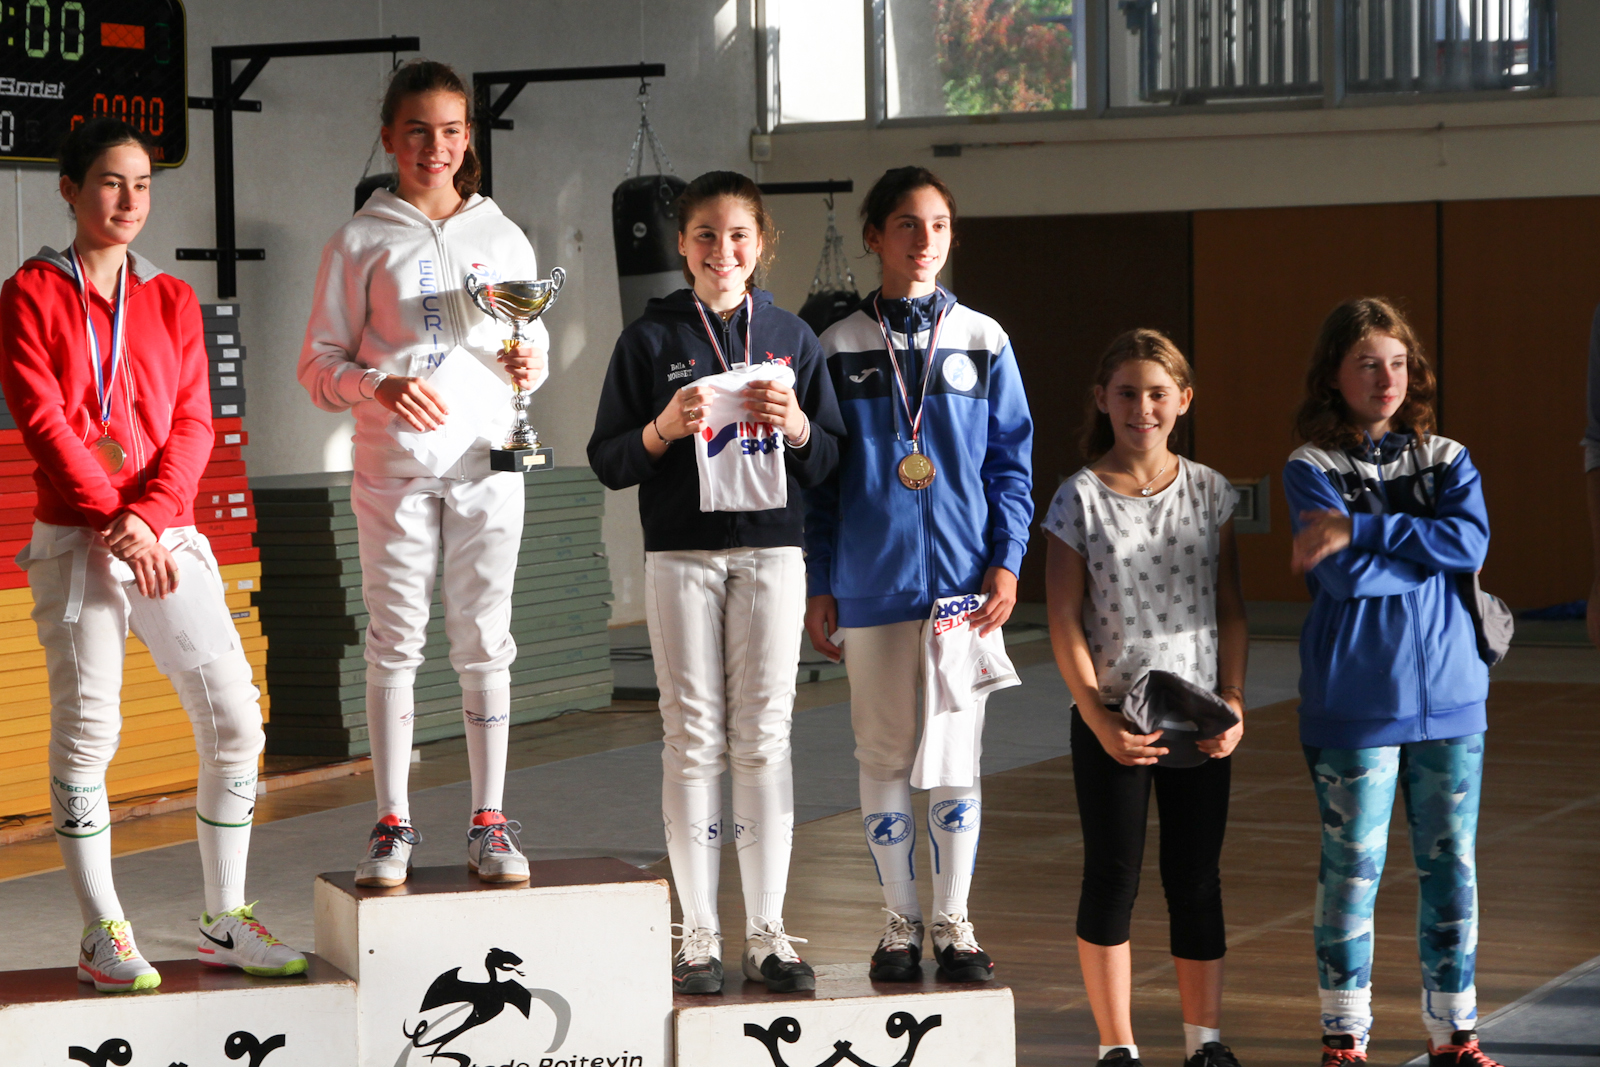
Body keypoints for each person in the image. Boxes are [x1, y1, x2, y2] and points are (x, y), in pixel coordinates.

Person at [0, 118, 306, 992]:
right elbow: (44, 422)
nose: (129, 199)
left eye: (141, 183)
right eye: (110, 181)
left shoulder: (170, 298)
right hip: (78, 537)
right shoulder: (29, 295)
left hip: (165, 532)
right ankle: (101, 930)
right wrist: (115, 520)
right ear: (69, 189)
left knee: (236, 718)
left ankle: (224, 920)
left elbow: (194, 421)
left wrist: (153, 515)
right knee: (90, 731)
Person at [588, 171, 843, 994]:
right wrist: (663, 428)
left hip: (772, 555)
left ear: (761, 242)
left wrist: (796, 423)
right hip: (681, 557)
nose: (721, 250)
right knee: (692, 737)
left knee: (764, 737)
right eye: (705, 234)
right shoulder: (648, 338)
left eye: (737, 235)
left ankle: (767, 932)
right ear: (681, 244)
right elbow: (608, 459)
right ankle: (697, 933)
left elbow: (831, 458)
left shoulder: (793, 336)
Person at [299, 60, 549, 887]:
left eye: (449, 131)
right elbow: (317, 366)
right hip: (394, 469)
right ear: (389, 137)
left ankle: (489, 818)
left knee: (485, 637)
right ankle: (392, 821)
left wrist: (528, 363)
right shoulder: (359, 240)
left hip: (487, 463)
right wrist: (378, 384)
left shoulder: (502, 236)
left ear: (468, 137)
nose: (433, 147)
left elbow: (532, 347)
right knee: (395, 640)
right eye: (416, 131)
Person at [803, 166, 1033, 984]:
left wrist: (1007, 560)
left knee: (957, 759)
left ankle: (954, 922)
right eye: (906, 223)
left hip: (964, 592)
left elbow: (1011, 464)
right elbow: (819, 481)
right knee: (883, 755)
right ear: (874, 236)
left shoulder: (984, 339)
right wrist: (820, 580)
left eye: (937, 224)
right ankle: (899, 923)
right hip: (871, 586)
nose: (924, 239)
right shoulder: (837, 346)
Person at [1284, 298, 1501, 1067]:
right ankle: (1345, 1037)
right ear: (1333, 375)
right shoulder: (1310, 467)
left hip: (1452, 701)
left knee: (1452, 870)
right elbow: (1344, 579)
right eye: (1368, 364)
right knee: (1352, 873)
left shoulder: (1448, 457)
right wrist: (1423, 551)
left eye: (1399, 363)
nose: (1386, 379)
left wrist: (1361, 527)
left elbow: (1469, 542)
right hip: (1355, 704)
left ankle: (1454, 1034)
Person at [1043, 330, 1247, 1067]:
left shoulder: (1210, 491)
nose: (1142, 408)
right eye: (1127, 393)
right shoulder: (1077, 497)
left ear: (1183, 400)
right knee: (1112, 877)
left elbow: (1230, 606)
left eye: (1158, 393)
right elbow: (1063, 619)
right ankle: (1117, 1047)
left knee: (1196, 881)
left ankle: (1205, 1044)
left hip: (1197, 715)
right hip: (1116, 720)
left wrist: (1233, 701)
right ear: (1103, 399)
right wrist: (1097, 719)